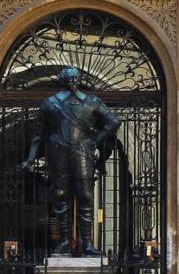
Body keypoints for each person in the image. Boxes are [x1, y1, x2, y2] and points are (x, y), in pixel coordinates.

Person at [20, 67, 121, 257]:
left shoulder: (92, 102)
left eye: (74, 78)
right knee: (61, 195)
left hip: (81, 152)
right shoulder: (50, 103)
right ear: (63, 81)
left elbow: (113, 121)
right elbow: (38, 134)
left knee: (85, 196)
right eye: (69, 78)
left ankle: (87, 244)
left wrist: (94, 140)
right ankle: (65, 241)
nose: (72, 81)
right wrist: (31, 158)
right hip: (58, 152)